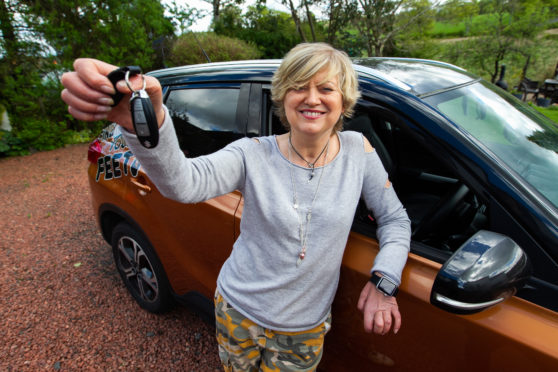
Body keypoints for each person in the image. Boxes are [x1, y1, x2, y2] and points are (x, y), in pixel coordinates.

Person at [61, 42, 411, 371]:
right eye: (299, 86)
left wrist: (385, 281)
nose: (312, 98)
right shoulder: (251, 154)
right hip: (238, 311)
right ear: (284, 95)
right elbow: (183, 184)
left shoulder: (358, 151)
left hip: (304, 328)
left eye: (326, 88)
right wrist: (143, 122)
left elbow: (394, 219)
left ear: (344, 98)